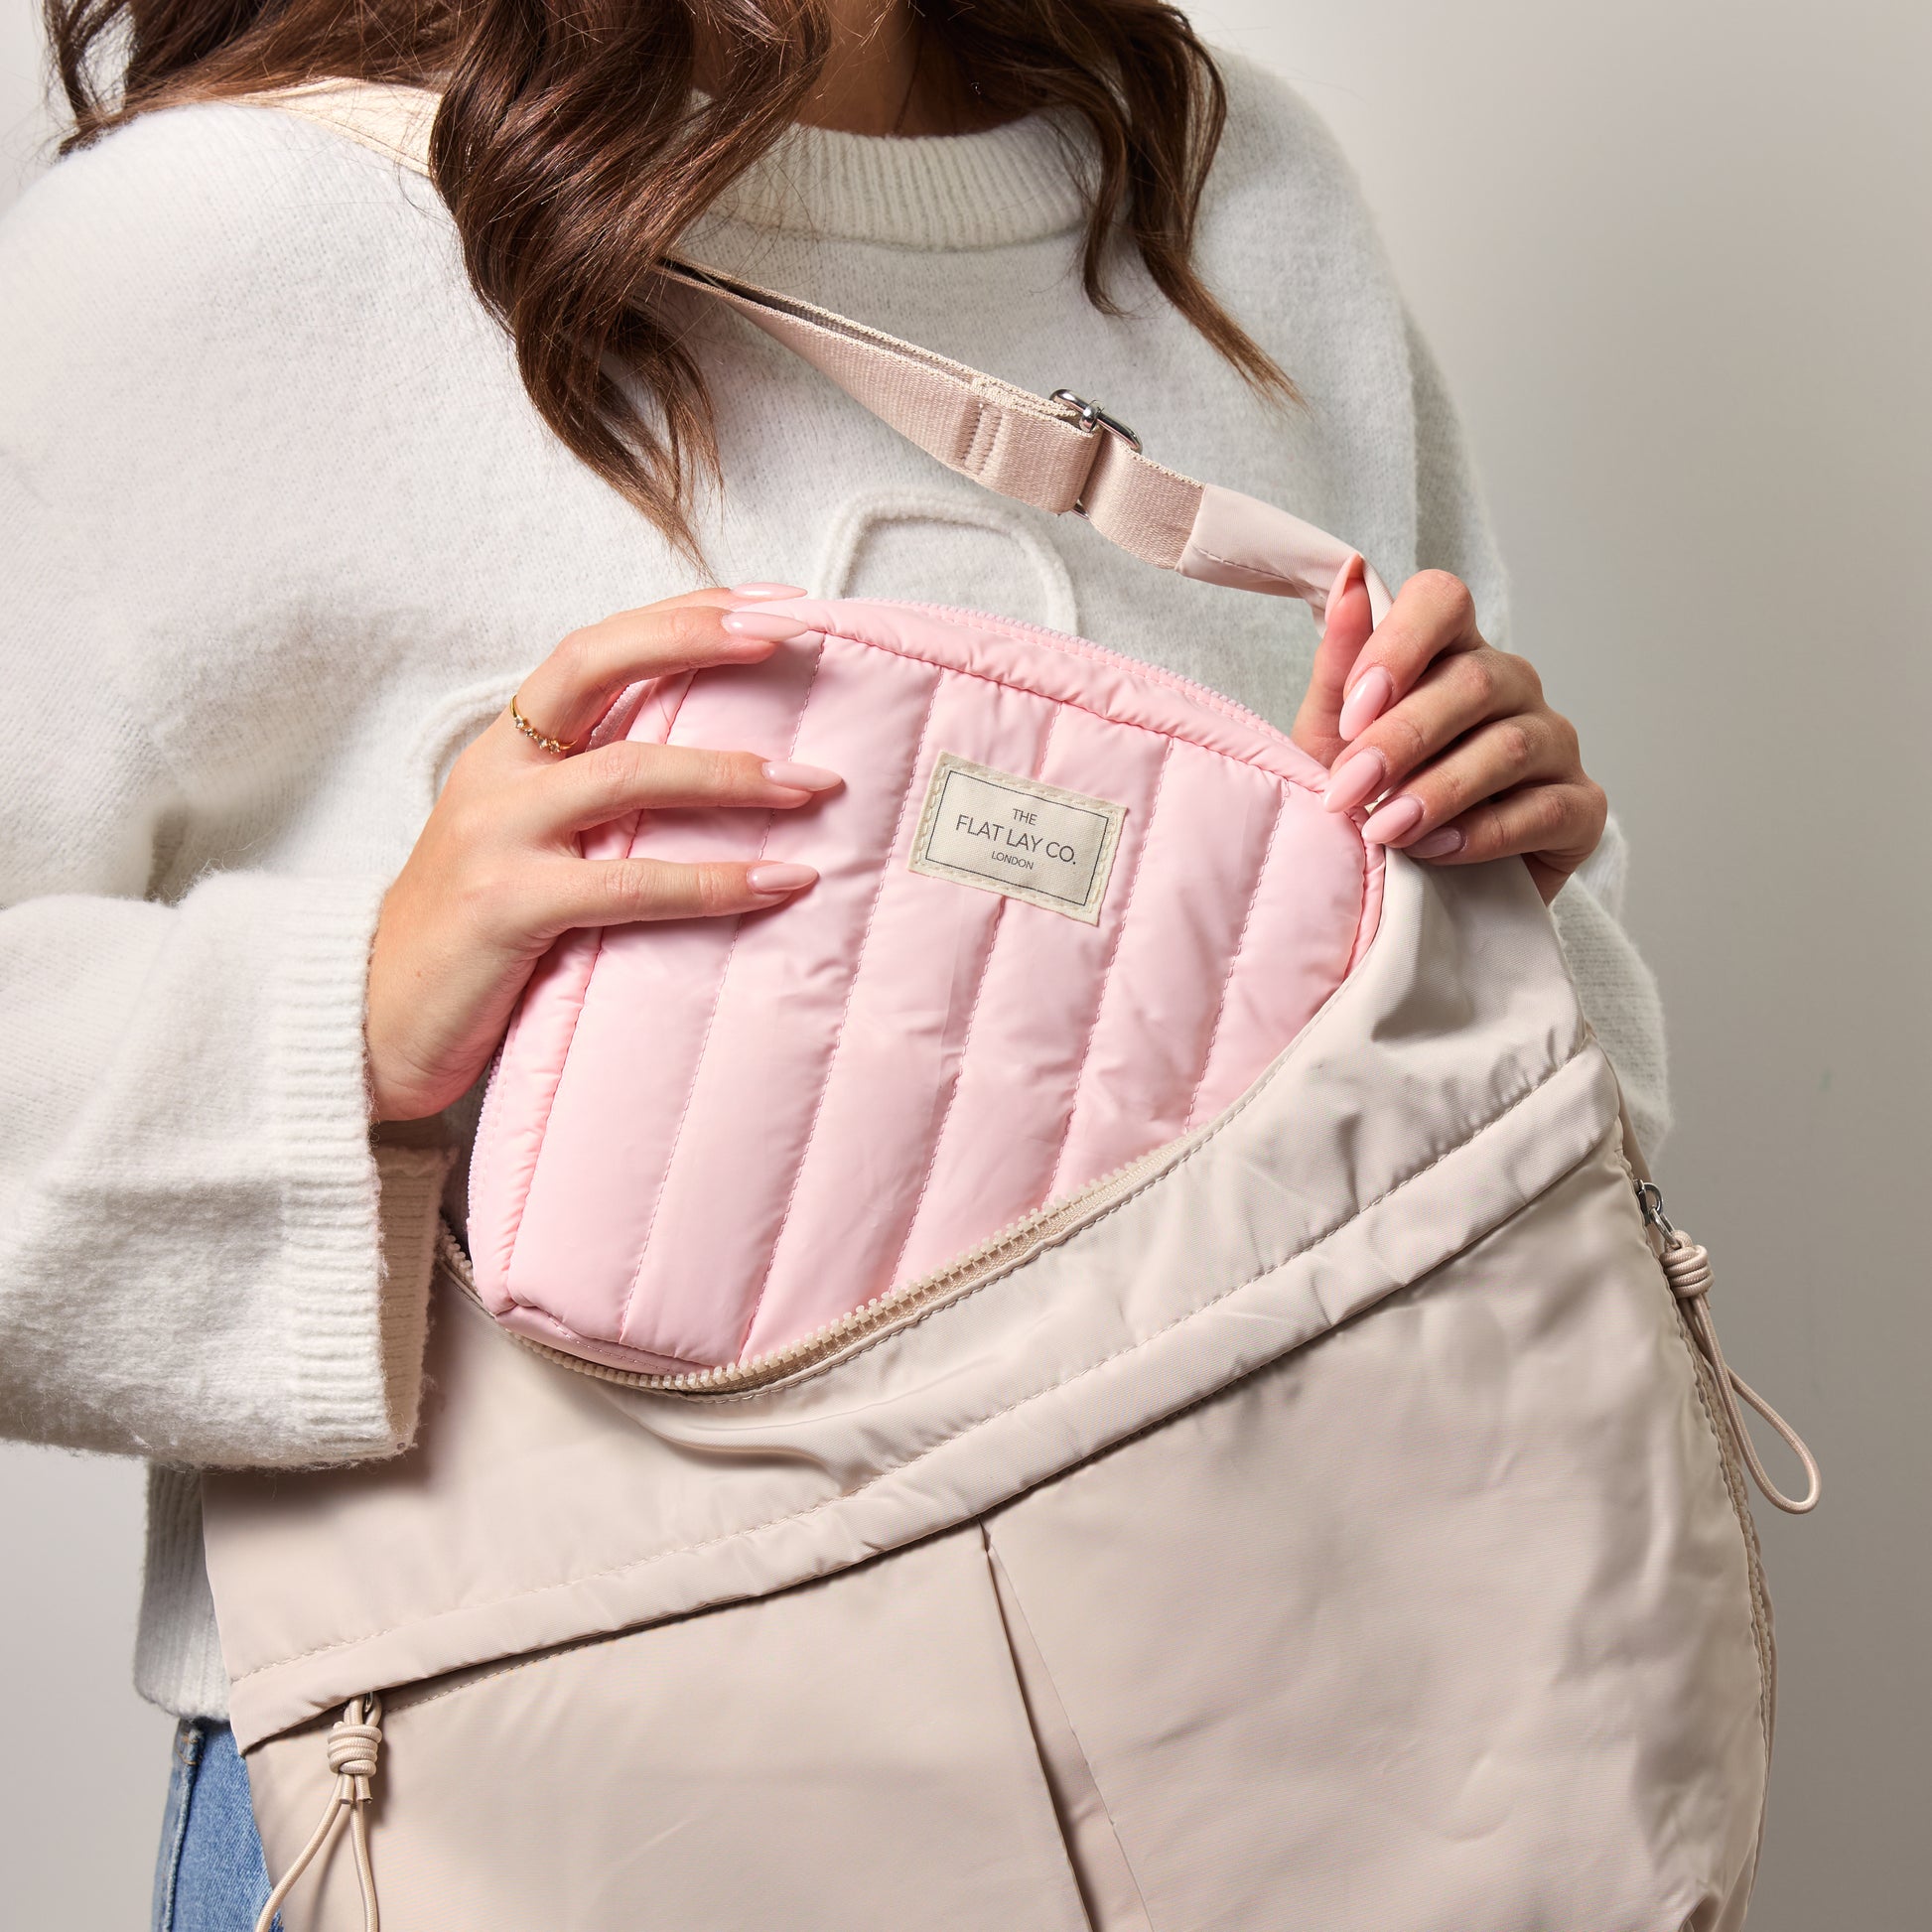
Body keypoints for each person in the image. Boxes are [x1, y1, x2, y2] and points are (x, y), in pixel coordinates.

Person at [0, 1, 1667, 1923]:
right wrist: (353, 1022)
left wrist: (1472, 912)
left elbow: (1555, 1175)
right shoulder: (210, 251)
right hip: (500, 1810)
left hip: (1228, 1784)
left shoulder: (1234, 204)